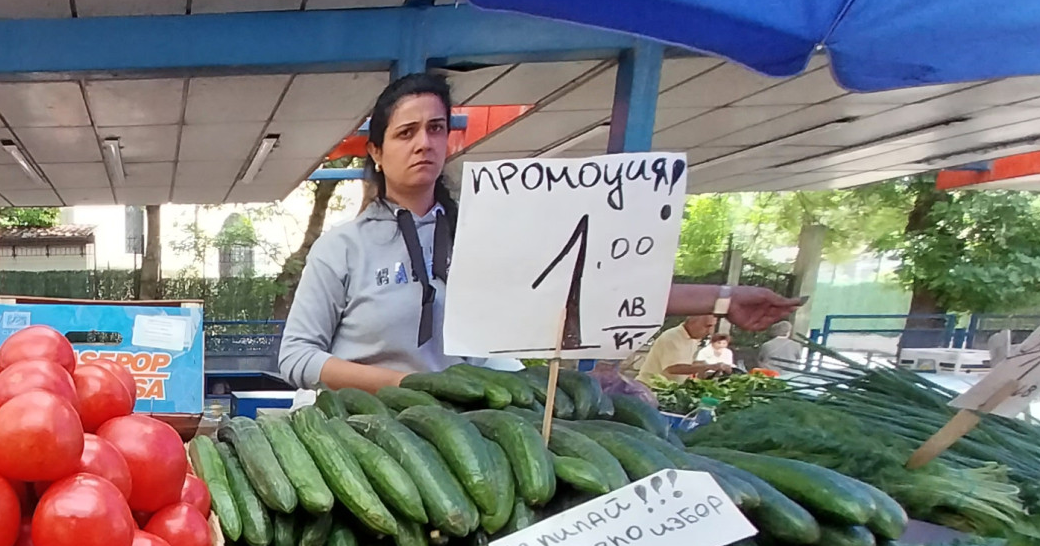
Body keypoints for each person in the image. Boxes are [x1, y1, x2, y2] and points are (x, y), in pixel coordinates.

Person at [276, 72, 804, 392]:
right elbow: (297, 357)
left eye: (435, 129)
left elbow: (587, 289)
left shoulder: (485, 235)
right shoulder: (343, 247)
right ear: (376, 151)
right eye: (405, 133)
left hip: (466, 431)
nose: (423, 144)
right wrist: (408, 386)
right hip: (354, 436)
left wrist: (721, 299)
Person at [634, 314, 728, 384]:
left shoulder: (693, 339)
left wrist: (703, 365)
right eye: (707, 326)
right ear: (692, 322)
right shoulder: (672, 337)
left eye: (712, 326)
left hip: (667, 390)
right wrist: (707, 367)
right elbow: (673, 368)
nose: (710, 331)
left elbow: (685, 363)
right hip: (649, 389)